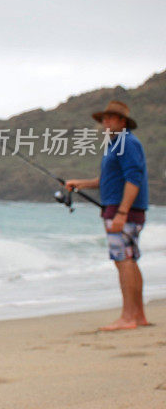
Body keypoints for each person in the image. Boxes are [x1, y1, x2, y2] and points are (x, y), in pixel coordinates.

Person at [65, 100, 149, 331]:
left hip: (123, 211)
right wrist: (79, 184)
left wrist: (122, 212)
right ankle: (138, 316)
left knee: (123, 261)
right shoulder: (115, 145)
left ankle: (128, 317)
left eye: (111, 118)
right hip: (119, 208)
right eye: (104, 118)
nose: (105, 122)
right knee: (129, 260)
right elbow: (106, 181)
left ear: (122, 122)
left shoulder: (127, 142)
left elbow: (134, 178)